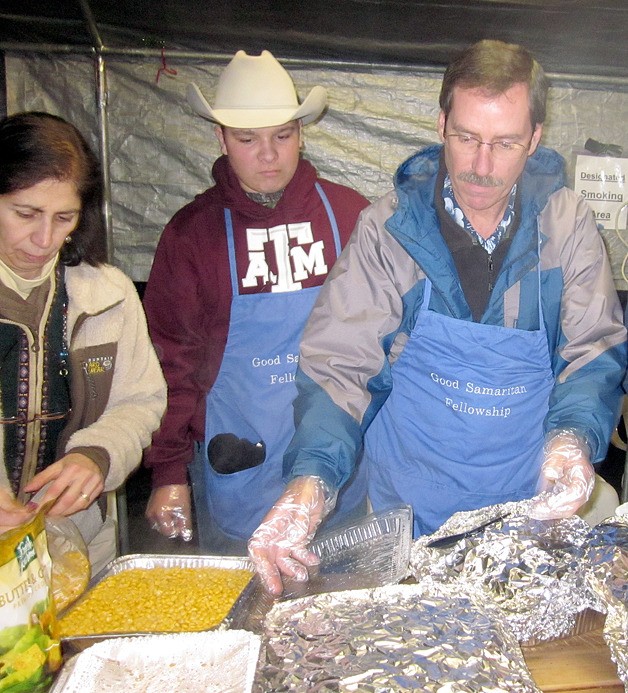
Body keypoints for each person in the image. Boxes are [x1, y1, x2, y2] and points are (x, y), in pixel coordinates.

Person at [248, 39, 628, 595]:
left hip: (530, 504)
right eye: (466, 138)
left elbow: (592, 349)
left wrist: (572, 437)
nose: (480, 165)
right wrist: (311, 480)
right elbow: (340, 366)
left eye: (504, 144)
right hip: (408, 508)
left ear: (535, 140)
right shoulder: (389, 231)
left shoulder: (566, 227)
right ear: (441, 124)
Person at [143, 50, 370, 553]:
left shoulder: (352, 215)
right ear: (221, 138)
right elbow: (171, 362)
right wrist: (167, 471)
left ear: (302, 133)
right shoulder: (192, 234)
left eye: (282, 136)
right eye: (248, 139)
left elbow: (385, 342)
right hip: (241, 470)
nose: (268, 154)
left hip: (340, 471)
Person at [0, 112, 167, 572]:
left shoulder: (108, 295)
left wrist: (96, 456)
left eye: (64, 218)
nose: (44, 239)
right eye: (25, 214)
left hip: (76, 546)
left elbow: (140, 400)